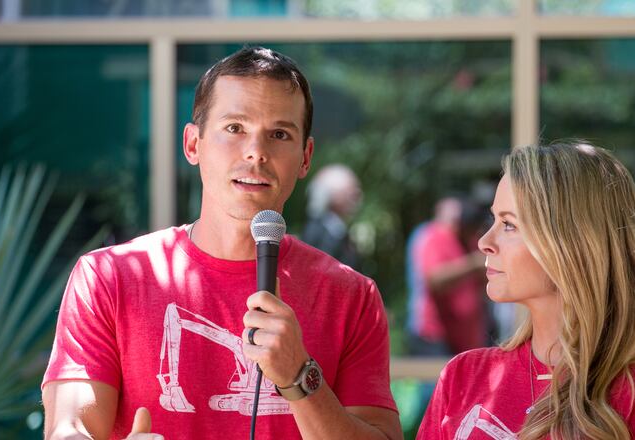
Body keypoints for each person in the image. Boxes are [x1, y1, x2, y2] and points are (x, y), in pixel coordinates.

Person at [42, 46, 401, 440]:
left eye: (279, 134)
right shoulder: (109, 277)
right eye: (234, 128)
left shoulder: (351, 295)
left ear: (305, 156)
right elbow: (69, 427)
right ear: (193, 145)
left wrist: (300, 376)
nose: (256, 152)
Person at [417, 142, 635, 439]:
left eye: (508, 224)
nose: (485, 241)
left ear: (571, 243)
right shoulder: (463, 377)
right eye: (492, 219)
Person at [406, 196, 489, 356]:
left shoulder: (469, 241)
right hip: (434, 336)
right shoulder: (434, 236)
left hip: (464, 337)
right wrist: (473, 263)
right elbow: (434, 280)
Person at [302, 164, 363, 270]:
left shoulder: (337, 231)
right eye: (351, 193)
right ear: (330, 194)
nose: (357, 198)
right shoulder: (317, 233)